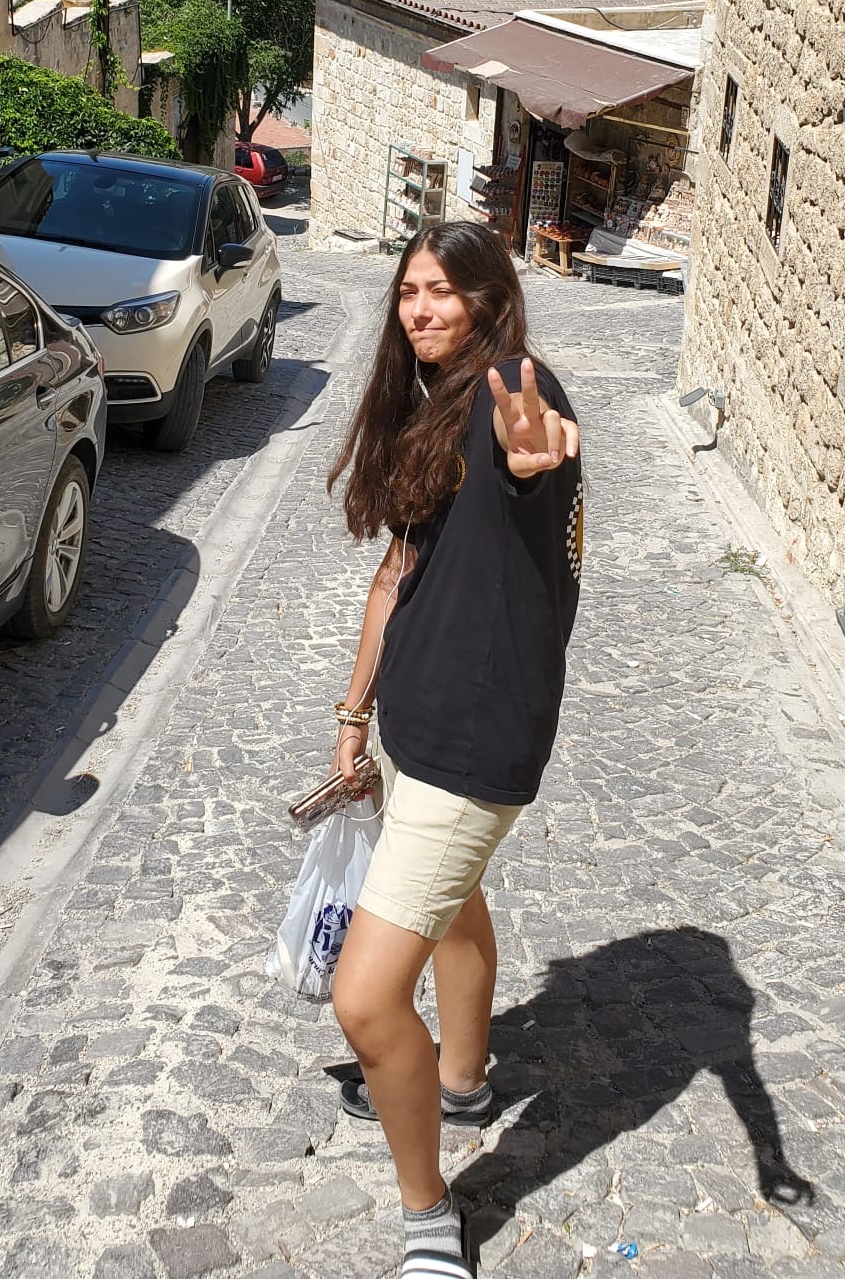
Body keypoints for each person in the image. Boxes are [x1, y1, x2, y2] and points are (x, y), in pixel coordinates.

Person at [326, 220, 583, 1279]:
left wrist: (535, 455)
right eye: (408, 292)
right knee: (455, 903)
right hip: (415, 723)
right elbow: (396, 574)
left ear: (487, 298)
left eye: (442, 291)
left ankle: (430, 1213)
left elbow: (534, 455)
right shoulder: (432, 404)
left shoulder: (514, 389)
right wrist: (354, 714)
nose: (421, 310)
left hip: (476, 737)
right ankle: (464, 1081)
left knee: (364, 999)